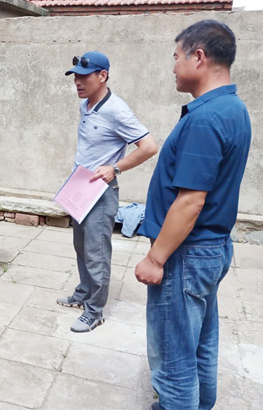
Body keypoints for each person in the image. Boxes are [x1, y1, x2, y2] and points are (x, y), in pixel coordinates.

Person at [135, 20, 251, 410]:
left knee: (173, 361)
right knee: (200, 344)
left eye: (176, 56)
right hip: (210, 247)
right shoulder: (233, 108)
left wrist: (156, 259)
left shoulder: (206, 118)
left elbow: (190, 202)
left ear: (198, 57)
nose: (173, 66)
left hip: (186, 252)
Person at [58, 51, 158, 333]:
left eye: (84, 77)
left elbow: (149, 147)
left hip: (101, 193)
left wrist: (115, 167)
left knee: (97, 253)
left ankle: (95, 311)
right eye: (75, 77)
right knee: (81, 246)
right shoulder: (86, 105)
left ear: (102, 76)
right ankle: (83, 293)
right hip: (81, 187)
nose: (78, 82)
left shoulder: (117, 110)